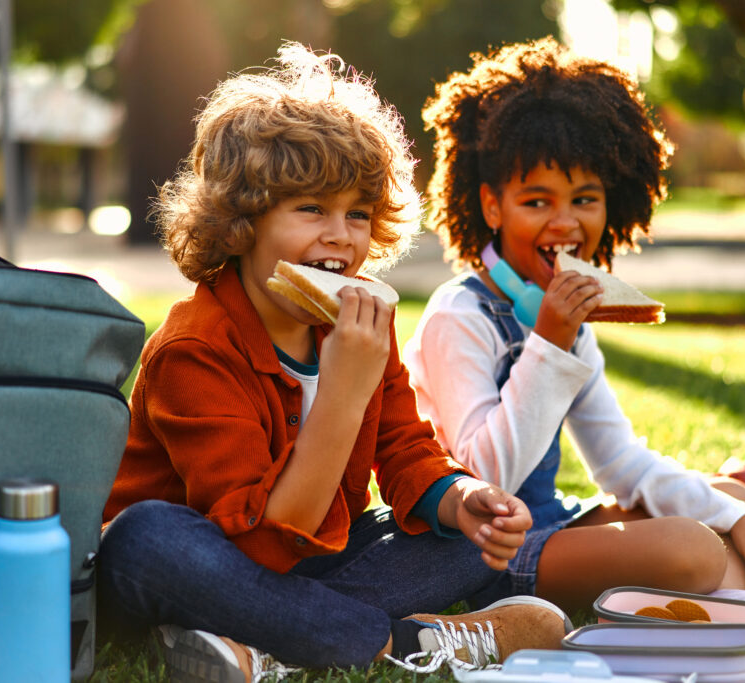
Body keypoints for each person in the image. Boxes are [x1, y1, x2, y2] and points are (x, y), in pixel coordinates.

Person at [97, 42, 570, 682]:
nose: (340, 235)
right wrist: (344, 392)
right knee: (143, 539)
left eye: (358, 214)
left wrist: (461, 497)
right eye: (311, 208)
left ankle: (261, 647)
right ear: (242, 222)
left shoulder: (359, 321)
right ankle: (402, 642)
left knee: (466, 546)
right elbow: (261, 542)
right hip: (210, 559)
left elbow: (405, 448)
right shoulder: (195, 349)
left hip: (309, 559)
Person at [403, 36, 745, 614]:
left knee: (733, 499)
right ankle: (734, 576)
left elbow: (620, 463)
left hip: (553, 525)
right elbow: (485, 478)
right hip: (477, 553)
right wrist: (551, 342)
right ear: (491, 206)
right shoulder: (457, 316)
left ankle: (738, 569)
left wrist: (734, 513)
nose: (565, 223)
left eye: (585, 199)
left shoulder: (568, 316)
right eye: (536, 202)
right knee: (692, 548)